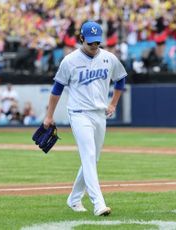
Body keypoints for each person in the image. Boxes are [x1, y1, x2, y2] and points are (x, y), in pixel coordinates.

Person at [43, 21, 127, 216]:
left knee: (93, 159)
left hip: (100, 114)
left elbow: (121, 79)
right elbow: (57, 89)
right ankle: (99, 203)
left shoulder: (109, 58)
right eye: (91, 42)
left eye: (97, 42)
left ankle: (73, 199)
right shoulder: (69, 61)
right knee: (88, 156)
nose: (94, 46)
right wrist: (49, 115)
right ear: (81, 39)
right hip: (79, 113)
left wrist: (113, 103)